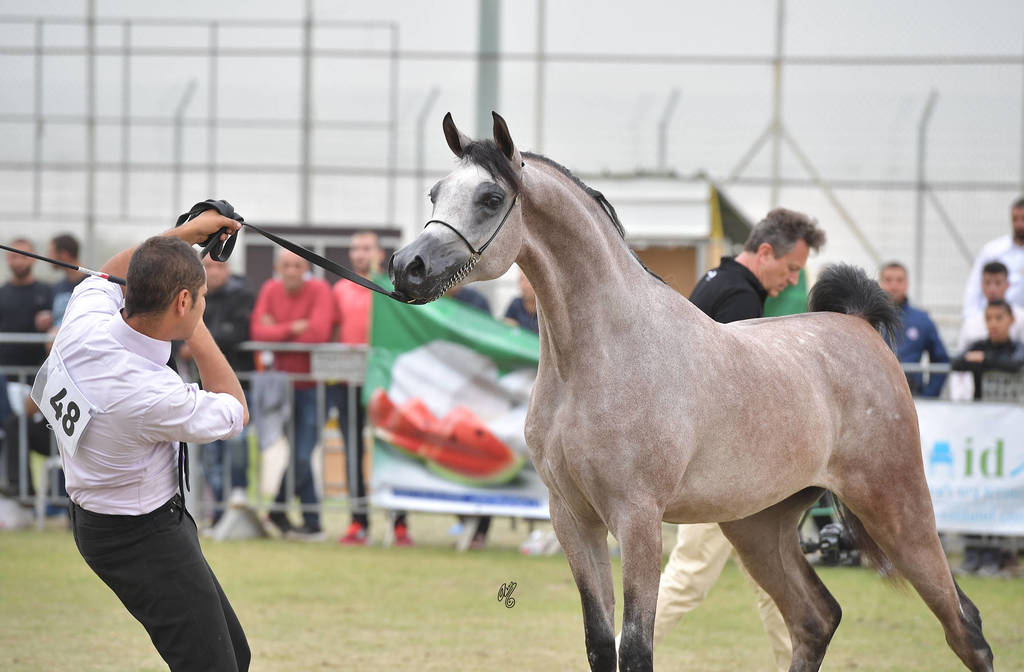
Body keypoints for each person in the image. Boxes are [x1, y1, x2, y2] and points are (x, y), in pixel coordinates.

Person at [36, 212, 250, 670]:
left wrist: (184, 238)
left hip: (130, 521)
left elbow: (111, 270)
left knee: (235, 655)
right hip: (138, 535)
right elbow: (234, 408)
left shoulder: (84, 321)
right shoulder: (150, 393)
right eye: (201, 299)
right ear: (183, 302)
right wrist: (195, 327)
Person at [651, 207, 826, 672]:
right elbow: (737, 398)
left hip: (717, 465)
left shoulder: (716, 279)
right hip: (721, 471)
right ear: (765, 252)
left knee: (777, 585)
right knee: (690, 577)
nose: (792, 282)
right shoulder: (739, 300)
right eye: (791, 269)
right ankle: (617, 655)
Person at [332, 231, 412, 546]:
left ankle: (400, 522)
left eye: (366, 248)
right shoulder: (340, 287)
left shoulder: (390, 288)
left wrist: (381, 273)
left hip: (387, 382)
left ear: (379, 252)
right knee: (352, 451)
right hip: (349, 381)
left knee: (394, 448)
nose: (360, 254)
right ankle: (358, 521)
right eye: (355, 249)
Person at [251, 248, 334, 540]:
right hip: (281, 387)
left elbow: (318, 334)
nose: (291, 271)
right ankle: (313, 523)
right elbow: (258, 331)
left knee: (301, 453)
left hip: (313, 386)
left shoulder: (321, 289)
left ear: (305, 269)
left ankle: (276, 511)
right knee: (298, 452)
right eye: (286, 266)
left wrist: (278, 329)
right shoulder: (270, 289)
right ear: (277, 267)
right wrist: (294, 328)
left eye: (297, 266)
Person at [179, 255, 255, 526]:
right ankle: (218, 511)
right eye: (208, 266)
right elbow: (177, 332)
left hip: (240, 388)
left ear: (229, 269)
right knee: (209, 454)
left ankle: (237, 495)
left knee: (236, 443)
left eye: (219, 266)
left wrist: (198, 338)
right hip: (203, 390)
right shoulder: (190, 295)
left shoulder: (243, 296)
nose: (214, 271)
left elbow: (240, 332)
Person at [951, 299, 1024, 576]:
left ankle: (1000, 553)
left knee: (1003, 492)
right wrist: (984, 360)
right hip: (982, 433)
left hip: (1010, 435)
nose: (993, 323)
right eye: (989, 318)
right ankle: (975, 553)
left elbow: (1017, 365)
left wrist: (985, 362)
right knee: (978, 490)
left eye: (999, 318)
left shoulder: (1016, 348)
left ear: (1010, 321)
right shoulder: (979, 345)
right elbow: (957, 362)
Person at [0, 238, 54, 495]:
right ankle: (19, 492)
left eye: (23, 256)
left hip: (41, 380)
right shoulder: (3, 293)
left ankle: (54, 500)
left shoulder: (47, 292)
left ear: (33, 259)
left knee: (41, 429)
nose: (17, 261)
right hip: (7, 380)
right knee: (11, 427)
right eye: (13, 256)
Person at [878, 261, 949, 397]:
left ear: (906, 284)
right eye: (888, 280)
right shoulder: (867, 320)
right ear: (880, 283)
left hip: (913, 396)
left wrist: (929, 395)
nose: (894, 285)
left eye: (899, 280)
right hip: (875, 395)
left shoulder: (922, 320)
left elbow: (941, 359)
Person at [962, 197, 1024, 320]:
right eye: (1015, 219)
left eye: (1023, 219)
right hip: (991, 321)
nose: (1019, 224)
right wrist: (970, 319)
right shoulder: (993, 250)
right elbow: (974, 287)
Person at [957, 261, 1024, 353]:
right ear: (981, 285)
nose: (992, 289)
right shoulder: (971, 322)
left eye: (998, 283)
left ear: (1007, 285)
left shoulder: (1021, 318)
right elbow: (962, 356)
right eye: (987, 283)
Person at [48, 233, 87, 329]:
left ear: (64, 254)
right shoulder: (57, 287)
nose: (48, 256)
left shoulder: (92, 285)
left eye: (51, 252)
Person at [503, 269, 538, 334]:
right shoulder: (516, 304)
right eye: (521, 280)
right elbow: (504, 325)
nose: (524, 286)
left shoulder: (546, 311)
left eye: (529, 281)